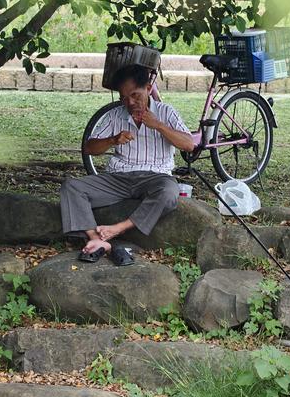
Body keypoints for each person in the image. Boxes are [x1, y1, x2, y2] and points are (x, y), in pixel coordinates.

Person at [60, 63, 195, 262]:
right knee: (71, 187)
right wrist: (113, 140)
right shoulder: (115, 115)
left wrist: (158, 125)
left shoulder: (166, 112)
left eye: (135, 95)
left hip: (155, 177)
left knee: (169, 192)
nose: (130, 102)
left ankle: (117, 229)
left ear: (148, 89)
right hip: (118, 178)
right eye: (124, 97)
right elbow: (90, 148)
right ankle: (96, 239)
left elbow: (189, 145)